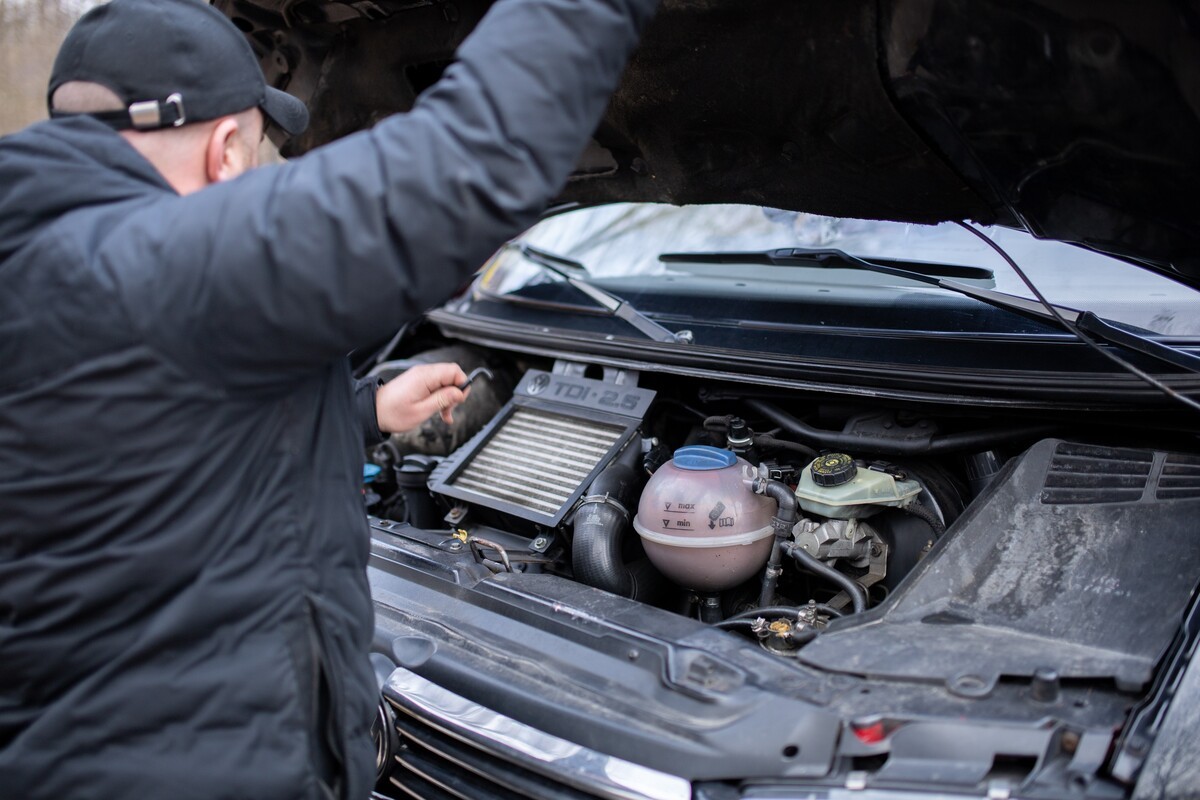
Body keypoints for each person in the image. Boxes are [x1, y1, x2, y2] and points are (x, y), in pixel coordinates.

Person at [0, 0, 659, 796]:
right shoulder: (151, 262)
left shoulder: (42, 259)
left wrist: (363, 413)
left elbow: (138, 449)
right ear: (222, 149)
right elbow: (466, 167)